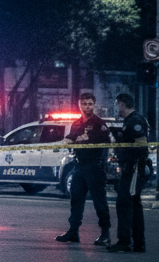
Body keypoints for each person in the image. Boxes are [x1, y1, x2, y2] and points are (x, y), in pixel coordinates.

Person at [56, 92, 112, 245]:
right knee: (76, 199)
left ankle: (105, 234)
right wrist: (67, 141)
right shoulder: (76, 124)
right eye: (84, 104)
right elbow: (70, 139)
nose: (87, 107)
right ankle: (73, 231)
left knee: (99, 201)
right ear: (79, 105)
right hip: (79, 166)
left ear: (94, 105)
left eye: (90, 104)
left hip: (95, 167)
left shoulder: (99, 124)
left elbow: (106, 144)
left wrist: (88, 140)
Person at [106, 93, 148, 253]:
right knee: (133, 203)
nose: (117, 108)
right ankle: (138, 243)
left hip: (134, 167)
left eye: (117, 104)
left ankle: (125, 241)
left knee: (124, 202)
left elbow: (140, 145)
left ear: (122, 104)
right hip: (130, 167)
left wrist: (125, 148)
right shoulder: (129, 121)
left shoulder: (135, 120)